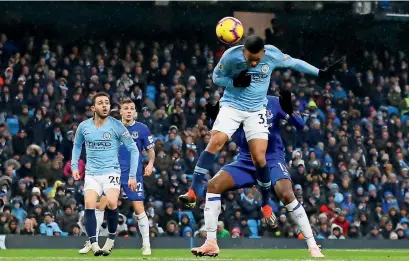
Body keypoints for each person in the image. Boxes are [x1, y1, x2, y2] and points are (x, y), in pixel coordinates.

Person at [179, 35, 338, 225]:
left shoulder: (272, 54)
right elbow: (217, 77)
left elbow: (294, 63)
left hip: (256, 110)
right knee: (216, 141)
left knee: (259, 158)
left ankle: (265, 203)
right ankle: (192, 191)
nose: (253, 63)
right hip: (232, 105)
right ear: (243, 51)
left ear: (264, 52)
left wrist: (320, 73)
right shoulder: (231, 56)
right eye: (249, 59)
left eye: (257, 59)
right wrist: (234, 82)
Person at [191, 93, 324, 258]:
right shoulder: (234, 103)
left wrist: (290, 112)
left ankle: (312, 245)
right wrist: (213, 118)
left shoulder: (274, 102)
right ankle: (211, 242)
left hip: (272, 159)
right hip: (245, 161)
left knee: (287, 193)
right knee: (213, 185)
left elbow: (301, 125)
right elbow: (219, 131)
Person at [79, 98, 155, 256]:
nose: (128, 111)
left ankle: (146, 245)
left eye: (131, 108)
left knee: (138, 207)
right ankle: (92, 241)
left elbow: (150, 149)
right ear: (120, 111)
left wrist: (150, 163)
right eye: (125, 108)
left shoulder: (142, 129)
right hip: (111, 171)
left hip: (132, 175)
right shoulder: (112, 127)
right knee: (101, 206)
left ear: (135, 112)